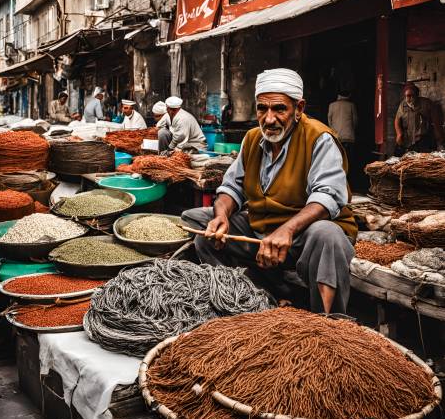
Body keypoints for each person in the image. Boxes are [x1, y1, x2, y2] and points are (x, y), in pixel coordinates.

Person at [182, 68, 357, 314]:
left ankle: (327, 322)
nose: (269, 118)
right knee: (201, 224)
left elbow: (328, 195)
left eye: (279, 109)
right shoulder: (253, 139)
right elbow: (232, 187)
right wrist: (221, 216)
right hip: (261, 231)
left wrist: (287, 229)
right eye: (262, 108)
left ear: (299, 109)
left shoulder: (319, 138)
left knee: (327, 234)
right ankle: (256, 297)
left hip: (301, 237)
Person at [394, 83, 443, 154]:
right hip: (408, 139)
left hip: (423, 139)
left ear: (417, 95)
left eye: (411, 96)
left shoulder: (426, 104)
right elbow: (397, 119)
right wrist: (399, 133)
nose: (409, 98)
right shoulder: (402, 105)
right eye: (407, 96)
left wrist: (440, 138)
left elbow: (436, 122)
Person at [328, 90, 357, 163]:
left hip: (336, 135)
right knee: (349, 157)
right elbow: (355, 120)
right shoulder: (351, 105)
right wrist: (352, 129)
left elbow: (329, 120)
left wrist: (332, 129)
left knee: (336, 156)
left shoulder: (332, 105)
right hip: (349, 136)